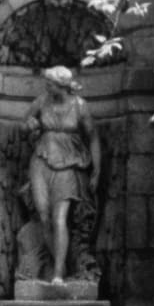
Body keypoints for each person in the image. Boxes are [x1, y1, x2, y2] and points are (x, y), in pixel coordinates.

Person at [23, 65, 101, 284]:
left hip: (68, 164)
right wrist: (29, 125)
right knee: (45, 217)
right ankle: (62, 262)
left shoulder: (80, 106)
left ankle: (58, 272)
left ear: (62, 86)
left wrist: (97, 169)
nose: (46, 87)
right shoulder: (40, 102)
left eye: (50, 83)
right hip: (41, 161)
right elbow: (25, 125)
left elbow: (93, 137)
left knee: (59, 219)